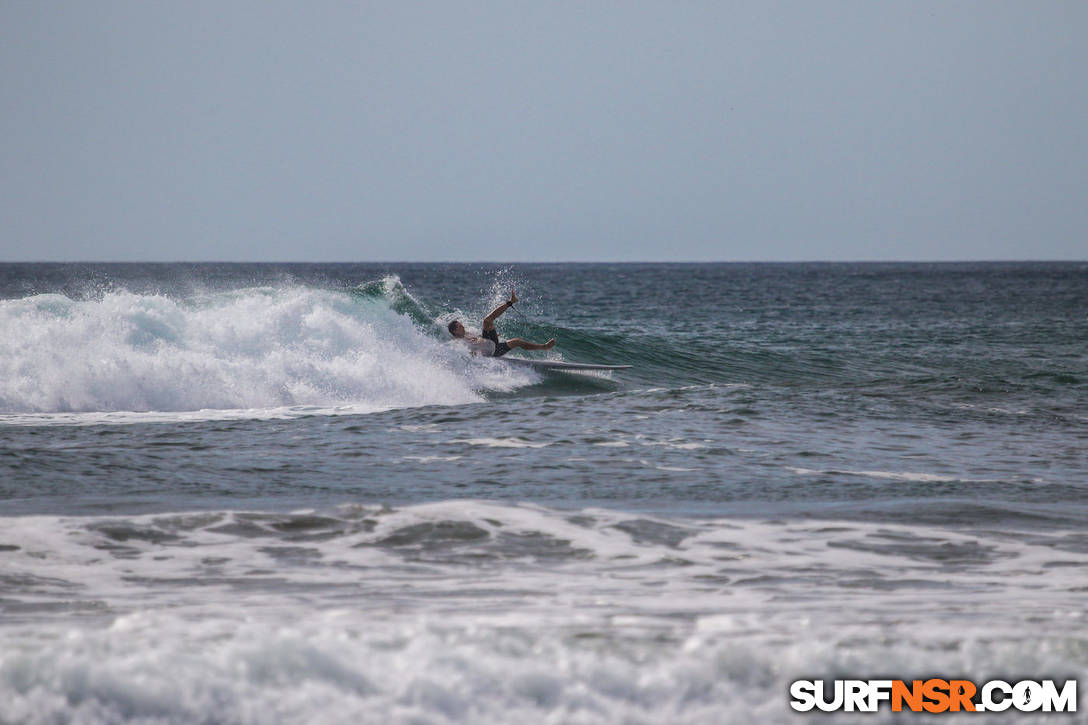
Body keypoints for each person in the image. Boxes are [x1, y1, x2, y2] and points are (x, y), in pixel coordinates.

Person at [447, 289, 555, 357]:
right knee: (516, 341)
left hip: (490, 342)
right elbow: (466, 354)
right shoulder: (459, 343)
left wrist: (487, 335)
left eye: (460, 324)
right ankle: (544, 347)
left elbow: (477, 339)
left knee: (487, 321)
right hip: (493, 352)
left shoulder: (466, 334)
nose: (462, 325)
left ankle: (511, 302)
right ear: (455, 331)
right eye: (459, 326)